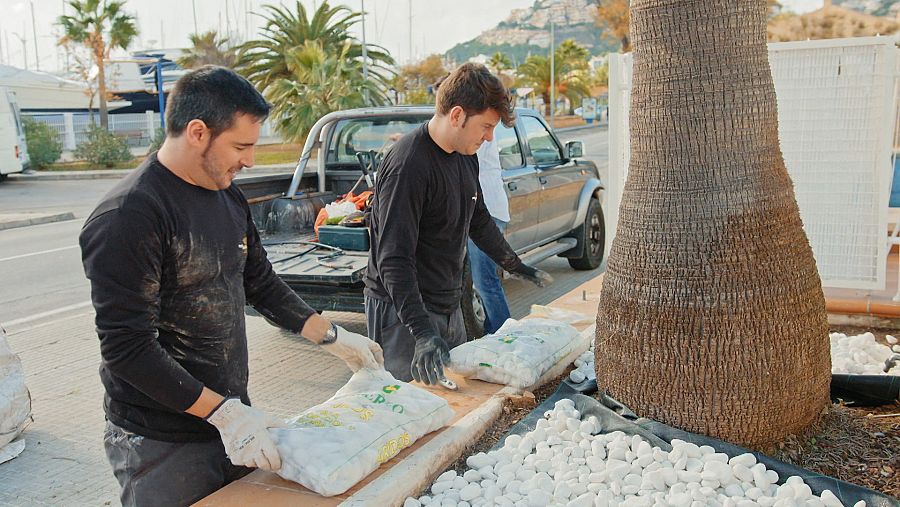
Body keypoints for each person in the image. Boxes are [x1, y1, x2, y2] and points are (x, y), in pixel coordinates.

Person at [79, 66, 384, 507]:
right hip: (161, 441)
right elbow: (127, 350)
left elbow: (260, 282)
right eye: (241, 146)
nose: (250, 161)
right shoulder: (129, 217)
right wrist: (223, 414)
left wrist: (333, 337)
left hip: (232, 419)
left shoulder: (226, 195)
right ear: (197, 132)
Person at [364, 63, 552, 386]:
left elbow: (477, 218)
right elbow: (393, 260)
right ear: (456, 115)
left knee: (458, 398)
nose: (489, 137)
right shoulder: (408, 165)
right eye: (486, 126)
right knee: (411, 405)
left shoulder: (465, 154)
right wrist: (422, 332)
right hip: (403, 315)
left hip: (447, 305)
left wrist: (514, 263)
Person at [468, 134, 512, 335]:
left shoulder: (479, 131)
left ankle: (504, 337)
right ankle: (493, 333)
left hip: (488, 214)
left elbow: (460, 155)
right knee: (482, 282)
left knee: (485, 282)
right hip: (482, 212)